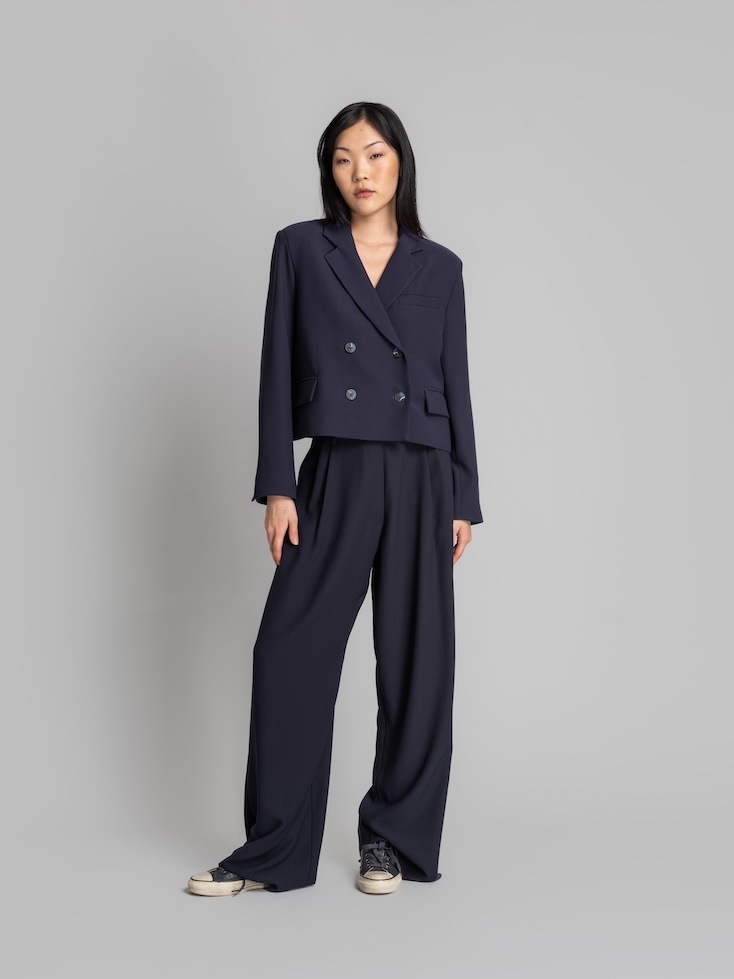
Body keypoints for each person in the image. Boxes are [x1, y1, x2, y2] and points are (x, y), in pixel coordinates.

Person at [188, 101, 482, 897]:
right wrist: (278, 485)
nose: (361, 171)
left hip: (424, 471)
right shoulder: (300, 249)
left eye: (375, 154)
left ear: (400, 162)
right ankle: (274, 848)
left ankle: (391, 840)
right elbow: (274, 370)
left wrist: (464, 493)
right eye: (345, 157)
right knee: (288, 651)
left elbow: (455, 383)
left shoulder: (440, 266)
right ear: (330, 169)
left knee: (419, 663)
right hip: (338, 465)